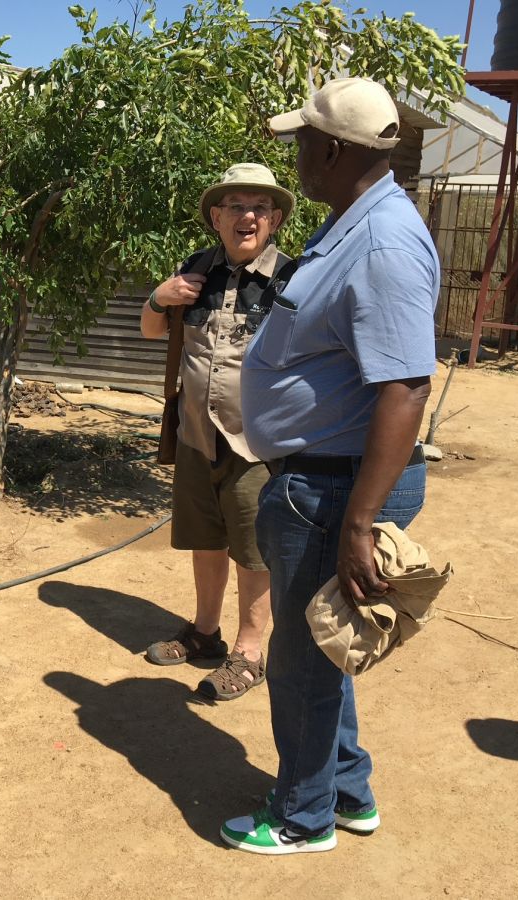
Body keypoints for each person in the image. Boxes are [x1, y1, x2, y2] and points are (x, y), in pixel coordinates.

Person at [221, 77, 439, 854]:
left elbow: (406, 387)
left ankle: (303, 817)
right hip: (321, 478)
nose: (297, 155)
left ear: (336, 151)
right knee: (323, 642)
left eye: (304, 142)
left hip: (337, 485)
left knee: (301, 663)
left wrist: (359, 521)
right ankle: (346, 792)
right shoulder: (353, 223)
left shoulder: (382, 242)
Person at [140, 163, 296, 701]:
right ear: (216, 217)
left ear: (274, 220)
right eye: (236, 206)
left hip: (257, 445)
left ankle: (249, 653)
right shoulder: (195, 270)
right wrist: (159, 297)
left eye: (259, 207)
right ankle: (205, 633)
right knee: (205, 540)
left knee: (254, 552)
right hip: (195, 435)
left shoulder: (293, 280)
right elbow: (151, 329)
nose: (247, 216)